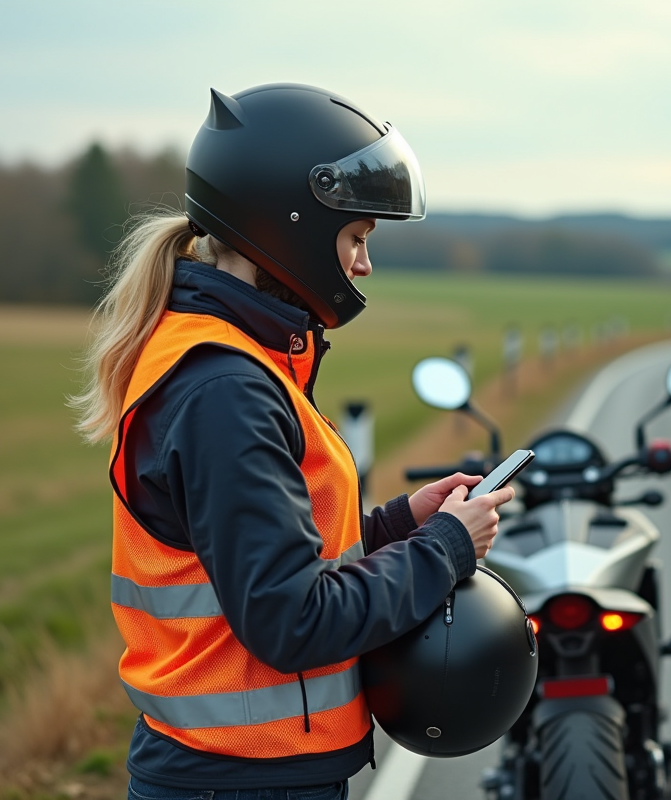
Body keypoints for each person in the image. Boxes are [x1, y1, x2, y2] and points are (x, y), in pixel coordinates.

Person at [70, 83, 514, 799]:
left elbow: (269, 557)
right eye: (358, 238)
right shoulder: (226, 391)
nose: (364, 265)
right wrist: (447, 549)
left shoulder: (234, 363)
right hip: (243, 779)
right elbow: (293, 618)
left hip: (243, 771)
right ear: (294, 229)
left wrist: (403, 524)